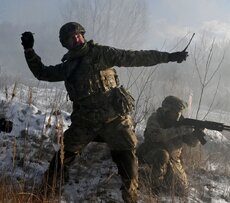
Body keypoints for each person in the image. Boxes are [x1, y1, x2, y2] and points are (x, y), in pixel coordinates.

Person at [20, 22, 188, 203]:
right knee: (61, 158)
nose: (77, 39)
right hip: (85, 122)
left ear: (83, 35)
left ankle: (130, 198)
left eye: (79, 35)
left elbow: (134, 57)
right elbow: (42, 73)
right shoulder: (69, 66)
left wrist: (169, 57)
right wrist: (29, 51)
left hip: (114, 121)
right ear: (66, 43)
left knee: (129, 165)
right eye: (72, 38)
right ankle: (45, 193)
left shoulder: (101, 54)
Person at [137, 96, 203, 196]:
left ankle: (157, 176)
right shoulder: (155, 118)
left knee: (181, 189)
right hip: (151, 153)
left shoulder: (181, 122)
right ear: (166, 110)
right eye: (175, 112)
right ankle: (153, 186)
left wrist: (197, 134)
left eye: (179, 112)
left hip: (173, 159)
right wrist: (179, 130)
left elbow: (192, 143)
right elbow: (156, 136)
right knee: (162, 155)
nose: (178, 115)